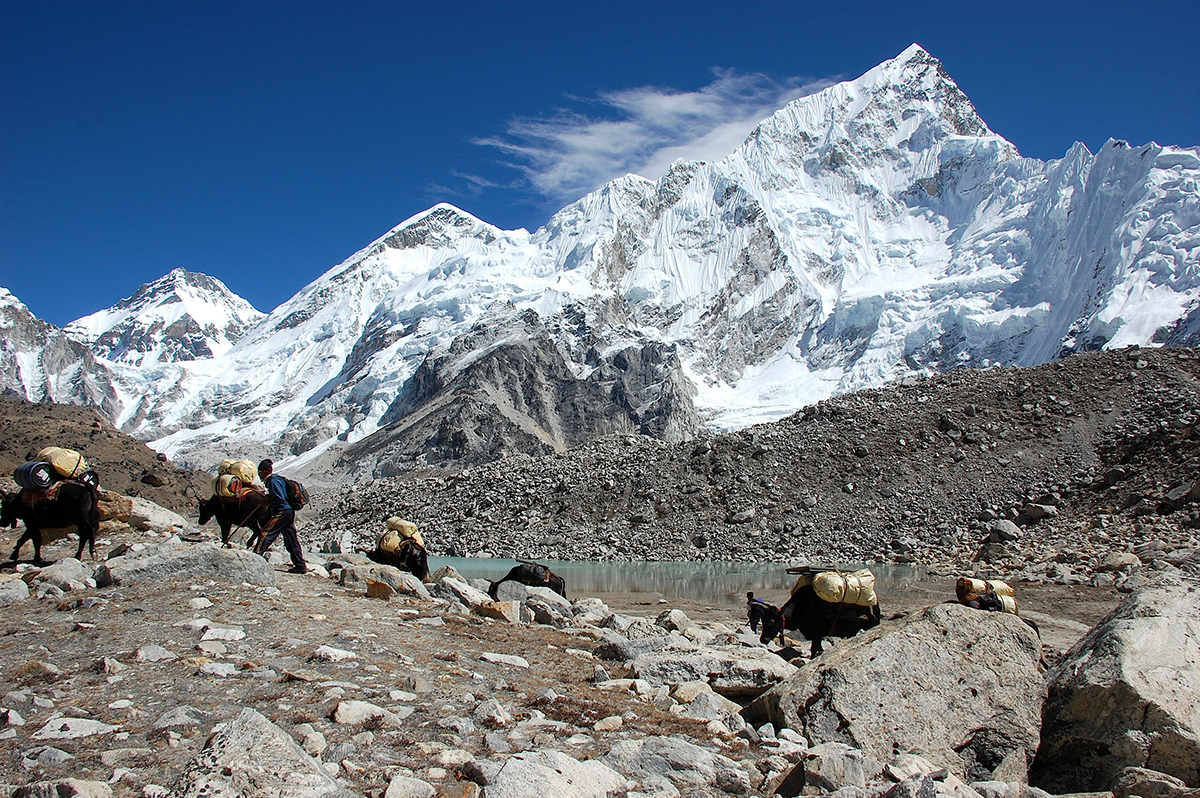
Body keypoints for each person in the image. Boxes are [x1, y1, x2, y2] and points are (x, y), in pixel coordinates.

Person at [253, 459, 307, 574]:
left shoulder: (273, 482)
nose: (259, 475)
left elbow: (279, 499)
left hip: (282, 511)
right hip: (289, 512)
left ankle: (255, 558)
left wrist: (268, 500)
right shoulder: (278, 480)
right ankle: (300, 565)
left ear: (265, 471)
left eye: (260, 472)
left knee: (265, 533)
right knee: (291, 540)